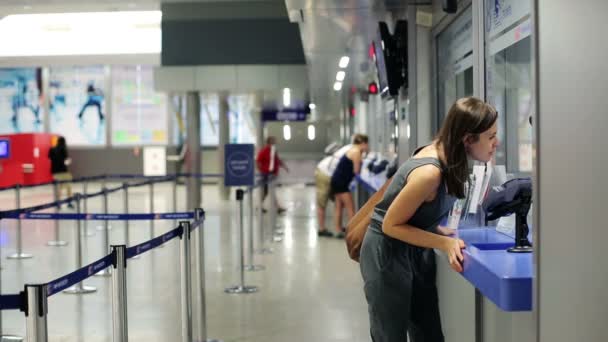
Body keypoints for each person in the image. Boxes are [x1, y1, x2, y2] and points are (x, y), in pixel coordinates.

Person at [359, 97, 499, 341]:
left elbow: (416, 210)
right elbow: (390, 225)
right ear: (467, 139)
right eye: (490, 137)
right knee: (390, 334)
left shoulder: (451, 157)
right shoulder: (430, 172)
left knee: (428, 332)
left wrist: (434, 228)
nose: (496, 143)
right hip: (387, 254)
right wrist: (444, 243)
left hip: (414, 251)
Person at [330, 134, 369, 238]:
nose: (367, 147)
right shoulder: (356, 152)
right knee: (350, 207)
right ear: (363, 143)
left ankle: (338, 230)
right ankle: (353, 233)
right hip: (341, 182)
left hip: (336, 180)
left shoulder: (352, 149)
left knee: (339, 206)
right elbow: (356, 171)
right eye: (367, 145)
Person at [315, 142, 352, 237]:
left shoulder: (350, 148)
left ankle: (338, 228)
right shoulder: (353, 150)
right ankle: (322, 229)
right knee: (322, 202)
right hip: (324, 173)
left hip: (330, 173)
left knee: (338, 203)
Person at [256, 136, 289, 213]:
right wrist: (262, 171)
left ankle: (276, 207)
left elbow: (277, 160)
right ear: (269, 142)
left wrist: (284, 167)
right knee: (267, 191)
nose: (275, 142)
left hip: (272, 174)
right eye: (273, 141)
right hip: (266, 174)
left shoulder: (273, 151)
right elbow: (258, 161)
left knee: (270, 191)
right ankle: (263, 206)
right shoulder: (264, 151)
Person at [48, 136, 74, 209]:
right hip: (63, 171)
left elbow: (49, 158)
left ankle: (58, 204)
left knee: (58, 188)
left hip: (55, 172)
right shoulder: (63, 149)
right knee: (68, 187)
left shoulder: (51, 149)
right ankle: (69, 202)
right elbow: (66, 161)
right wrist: (68, 161)